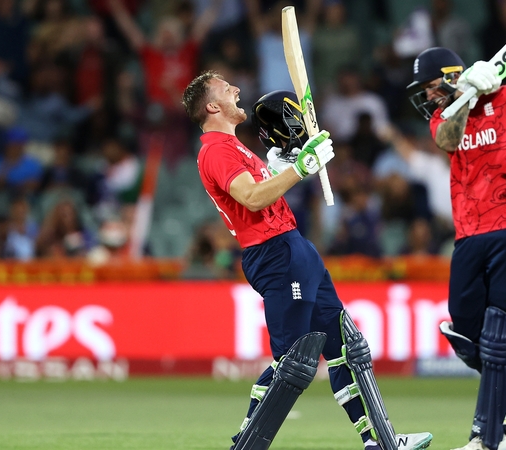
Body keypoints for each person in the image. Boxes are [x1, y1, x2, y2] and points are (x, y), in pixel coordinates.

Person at [181, 71, 432, 450]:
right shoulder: (216, 149)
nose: (236, 88)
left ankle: (382, 442)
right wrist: (299, 169)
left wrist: (289, 162)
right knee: (293, 364)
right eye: (225, 87)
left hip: (295, 247)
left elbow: (265, 188)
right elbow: (251, 198)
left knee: (349, 349)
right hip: (275, 254)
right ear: (213, 106)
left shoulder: (238, 148)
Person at [407, 47, 506, 450]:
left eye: (431, 87)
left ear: (447, 75)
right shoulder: (445, 116)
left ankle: (486, 438)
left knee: (498, 336)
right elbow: (448, 140)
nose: (428, 97)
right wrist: (463, 96)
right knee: (464, 333)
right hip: (469, 235)